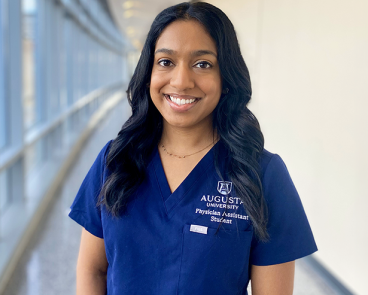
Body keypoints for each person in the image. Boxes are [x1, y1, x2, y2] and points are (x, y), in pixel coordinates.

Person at [69, 2, 317, 294]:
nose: (181, 81)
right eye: (166, 62)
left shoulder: (261, 174)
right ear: (148, 71)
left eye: (203, 64)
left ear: (226, 78)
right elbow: (92, 269)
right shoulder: (115, 161)